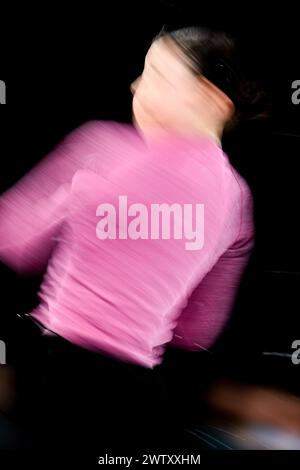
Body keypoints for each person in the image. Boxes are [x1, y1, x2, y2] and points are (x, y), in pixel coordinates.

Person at [0, 26, 256, 451]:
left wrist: (67, 201)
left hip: (56, 375)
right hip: (134, 394)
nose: (136, 84)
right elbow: (198, 330)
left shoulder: (105, 146)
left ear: (210, 99)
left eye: (156, 74)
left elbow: (14, 240)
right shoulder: (237, 200)